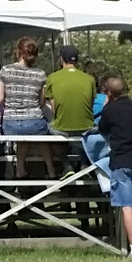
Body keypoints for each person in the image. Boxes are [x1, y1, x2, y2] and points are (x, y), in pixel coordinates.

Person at [99, 76, 132, 258]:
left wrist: (106, 105)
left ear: (109, 93)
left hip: (122, 161)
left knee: (126, 206)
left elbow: (102, 129)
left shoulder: (110, 110)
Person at [0, 37, 53, 178]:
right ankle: (51, 169)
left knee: (22, 134)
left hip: (10, 123)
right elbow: (41, 103)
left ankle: (20, 170)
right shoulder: (40, 74)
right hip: (34, 122)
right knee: (41, 134)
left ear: (18, 52)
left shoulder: (5, 70)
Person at [41, 44, 96, 172]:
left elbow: (54, 109)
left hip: (62, 128)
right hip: (86, 127)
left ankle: (67, 166)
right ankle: (84, 165)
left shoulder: (52, 78)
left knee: (48, 128)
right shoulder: (90, 79)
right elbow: (90, 105)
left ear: (61, 59)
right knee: (85, 137)